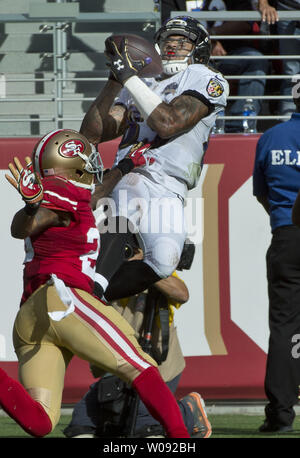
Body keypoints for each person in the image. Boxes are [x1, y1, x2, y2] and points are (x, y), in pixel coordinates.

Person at [0, 128, 190, 438]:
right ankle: (181, 440)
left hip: (30, 317)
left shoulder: (72, 197)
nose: (92, 165)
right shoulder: (59, 190)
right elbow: (26, 225)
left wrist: (127, 165)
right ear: (72, 160)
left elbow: (91, 195)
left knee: (39, 422)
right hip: (62, 300)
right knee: (141, 367)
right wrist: (32, 206)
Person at [80, 16, 229, 304]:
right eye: (167, 40)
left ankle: (93, 295)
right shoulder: (142, 81)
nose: (173, 45)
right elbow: (93, 134)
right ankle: (94, 291)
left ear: (199, 48)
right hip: (135, 168)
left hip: (172, 183)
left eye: (182, 40)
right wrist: (114, 81)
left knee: (163, 261)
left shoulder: (206, 78)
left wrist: (130, 78)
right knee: (126, 210)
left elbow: (169, 123)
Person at [63, 243, 212, 439]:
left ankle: (189, 411)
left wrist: (144, 267)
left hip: (157, 366)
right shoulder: (105, 274)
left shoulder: (154, 270)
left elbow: (182, 293)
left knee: (146, 426)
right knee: (81, 423)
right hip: (119, 365)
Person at [252, 78, 300, 432]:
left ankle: (281, 414)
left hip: (287, 236)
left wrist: (285, 220)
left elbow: (262, 192)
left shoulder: (271, 138)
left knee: (285, 327)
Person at [159, 0, 268, 133]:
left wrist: (211, 37)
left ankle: (239, 125)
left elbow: (245, 22)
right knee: (185, 66)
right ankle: (199, 124)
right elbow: (167, 24)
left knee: (255, 60)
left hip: (229, 54)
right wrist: (203, 45)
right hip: (191, 57)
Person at [258, 0, 300, 119]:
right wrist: (264, 4)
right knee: (292, 76)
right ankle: (287, 127)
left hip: (286, 15)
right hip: (287, 12)